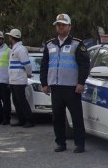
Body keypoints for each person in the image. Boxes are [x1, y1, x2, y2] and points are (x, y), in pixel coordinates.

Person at [41, 13, 89, 153]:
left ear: (69, 27)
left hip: (72, 87)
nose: (60, 27)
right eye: (58, 25)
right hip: (56, 86)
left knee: (76, 117)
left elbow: (84, 64)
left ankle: (80, 144)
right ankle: (60, 143)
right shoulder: (50, 44)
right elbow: (44, 65)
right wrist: (44, 83)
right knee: (57, 117)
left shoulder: (77, 44)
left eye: (63, 25)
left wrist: (81, 83)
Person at [5, 28, 34, 128]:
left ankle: (29, 120)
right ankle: (21, 120)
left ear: (12, 38)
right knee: (16, 101)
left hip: (19, 80)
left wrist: (29, 74)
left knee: (22, 101)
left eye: (9, 36)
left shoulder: (21, 49)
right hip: (13, 79)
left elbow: (27, 64)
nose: (9, 38)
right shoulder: (15, 49)